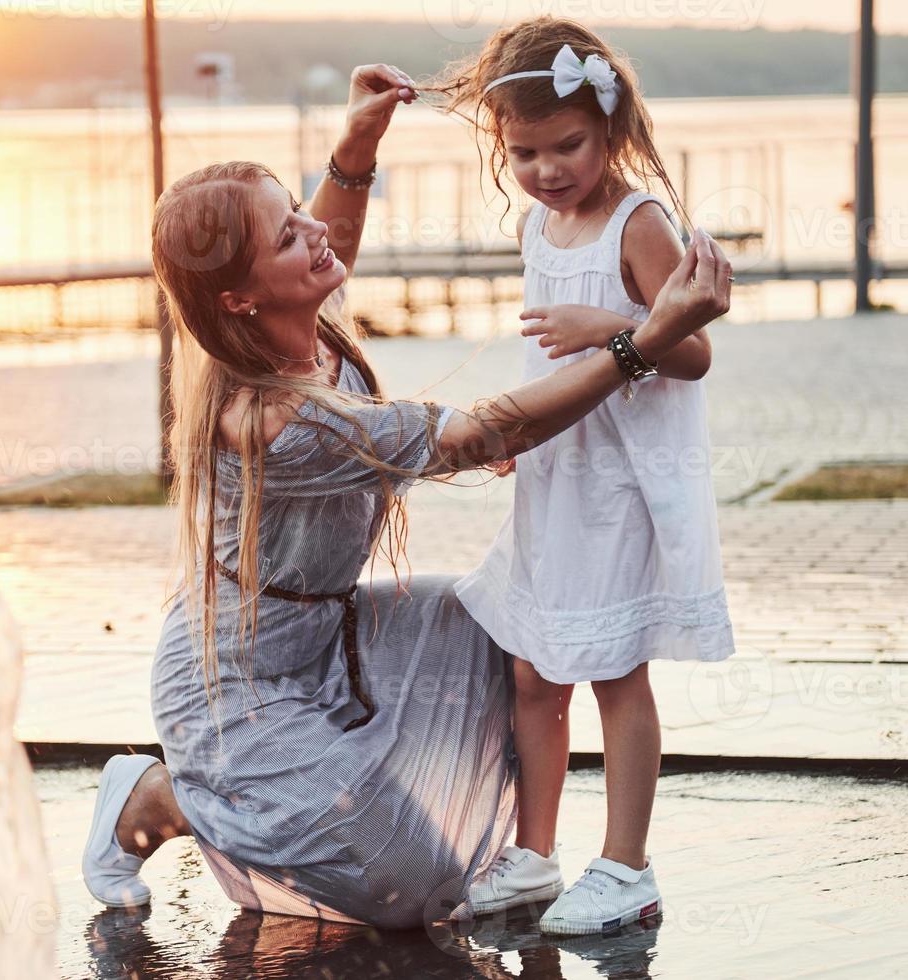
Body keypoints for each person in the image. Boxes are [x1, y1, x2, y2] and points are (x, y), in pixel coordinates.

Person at [80, 61, 733, 930]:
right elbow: (480, 431)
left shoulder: (293, 321)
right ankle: (165, 793)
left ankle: (532, 852)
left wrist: (357, 142)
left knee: (503, 618)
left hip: (331, 629)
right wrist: (635, 343)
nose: (313, 234)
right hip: (237, 681)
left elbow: (330, 248)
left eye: (297, 212)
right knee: (404, 882)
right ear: (238, 296)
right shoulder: (268, 415)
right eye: (285, 237)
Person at [425, 18, 736, 935]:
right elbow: (544, 357)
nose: (548, 168)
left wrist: (605, 326)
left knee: (614, 672)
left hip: (620, 486)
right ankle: (533, 852)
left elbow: (694, 354)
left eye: (566, 146)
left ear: (608, 130)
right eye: (524, 152)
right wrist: (523, 426)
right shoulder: (540, 222)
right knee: (531, 670)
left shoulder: (638, 223)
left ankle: (627, 866)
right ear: (500, 146)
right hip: (558, 471)